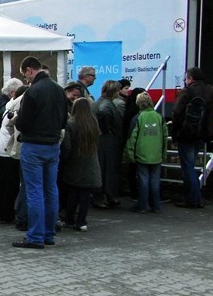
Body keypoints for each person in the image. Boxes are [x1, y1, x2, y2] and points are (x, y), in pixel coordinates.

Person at [13, 56, 68, 249]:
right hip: (53, 145)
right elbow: (64, 121)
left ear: (29, 70)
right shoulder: (59, 90)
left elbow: (23, 123)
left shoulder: (32, 92)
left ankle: (35, 236)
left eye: (25, 75)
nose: (26, 79)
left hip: (34, 145)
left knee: (34, 191)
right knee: (51, 189)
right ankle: (48, 233)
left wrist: (17, 119)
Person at [170, 66, 213, 209]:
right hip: (202, 133)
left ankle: (193, 199)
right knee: (191, 164)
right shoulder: (210, 91)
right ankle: (195, 198)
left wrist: (174, 132)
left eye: (186, 78)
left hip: (186, 133)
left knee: (187, 168)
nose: (185, 80)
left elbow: (176, 112)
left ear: (190, 78)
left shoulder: (186, 92)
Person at [60, 98, 102, 232]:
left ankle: (69, 219)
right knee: (85, 194)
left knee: (72, 192)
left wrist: (64, 159)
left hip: (75, 161)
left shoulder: (71, 124)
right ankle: (82, 221)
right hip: (90, 161)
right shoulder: (93, 123)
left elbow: (67, 146)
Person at [0, 79, 23, 217]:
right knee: (8, 182)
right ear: (12, 92)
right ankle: (5, 212)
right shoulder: (9, 107)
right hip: (5, 149)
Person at [124, 92, 167, 213]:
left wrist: (130, 154)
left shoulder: (138, 118)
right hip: (156, 153)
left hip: (141, 153)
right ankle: (155, 206)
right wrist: (163, 153)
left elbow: (132, 138)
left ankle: (142, 205)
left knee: (143, 180)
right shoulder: (159, 117)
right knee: (155, 180)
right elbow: (164, 136)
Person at [0, 84, 28, 225]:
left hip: (0, 149)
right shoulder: (17, 109)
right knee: (11, 185)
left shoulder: (7, 107)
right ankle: (6, 214)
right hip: (9, 151)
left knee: (0, 183)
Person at [92, 80, 123, 208]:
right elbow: (104, 113)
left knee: (104, 168)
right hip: (106, 141)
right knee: (106, 168)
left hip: (103, 139)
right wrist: (106, 129)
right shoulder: (106, 104)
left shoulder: (100, 102)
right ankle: (102, 196)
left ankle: (105, 195)